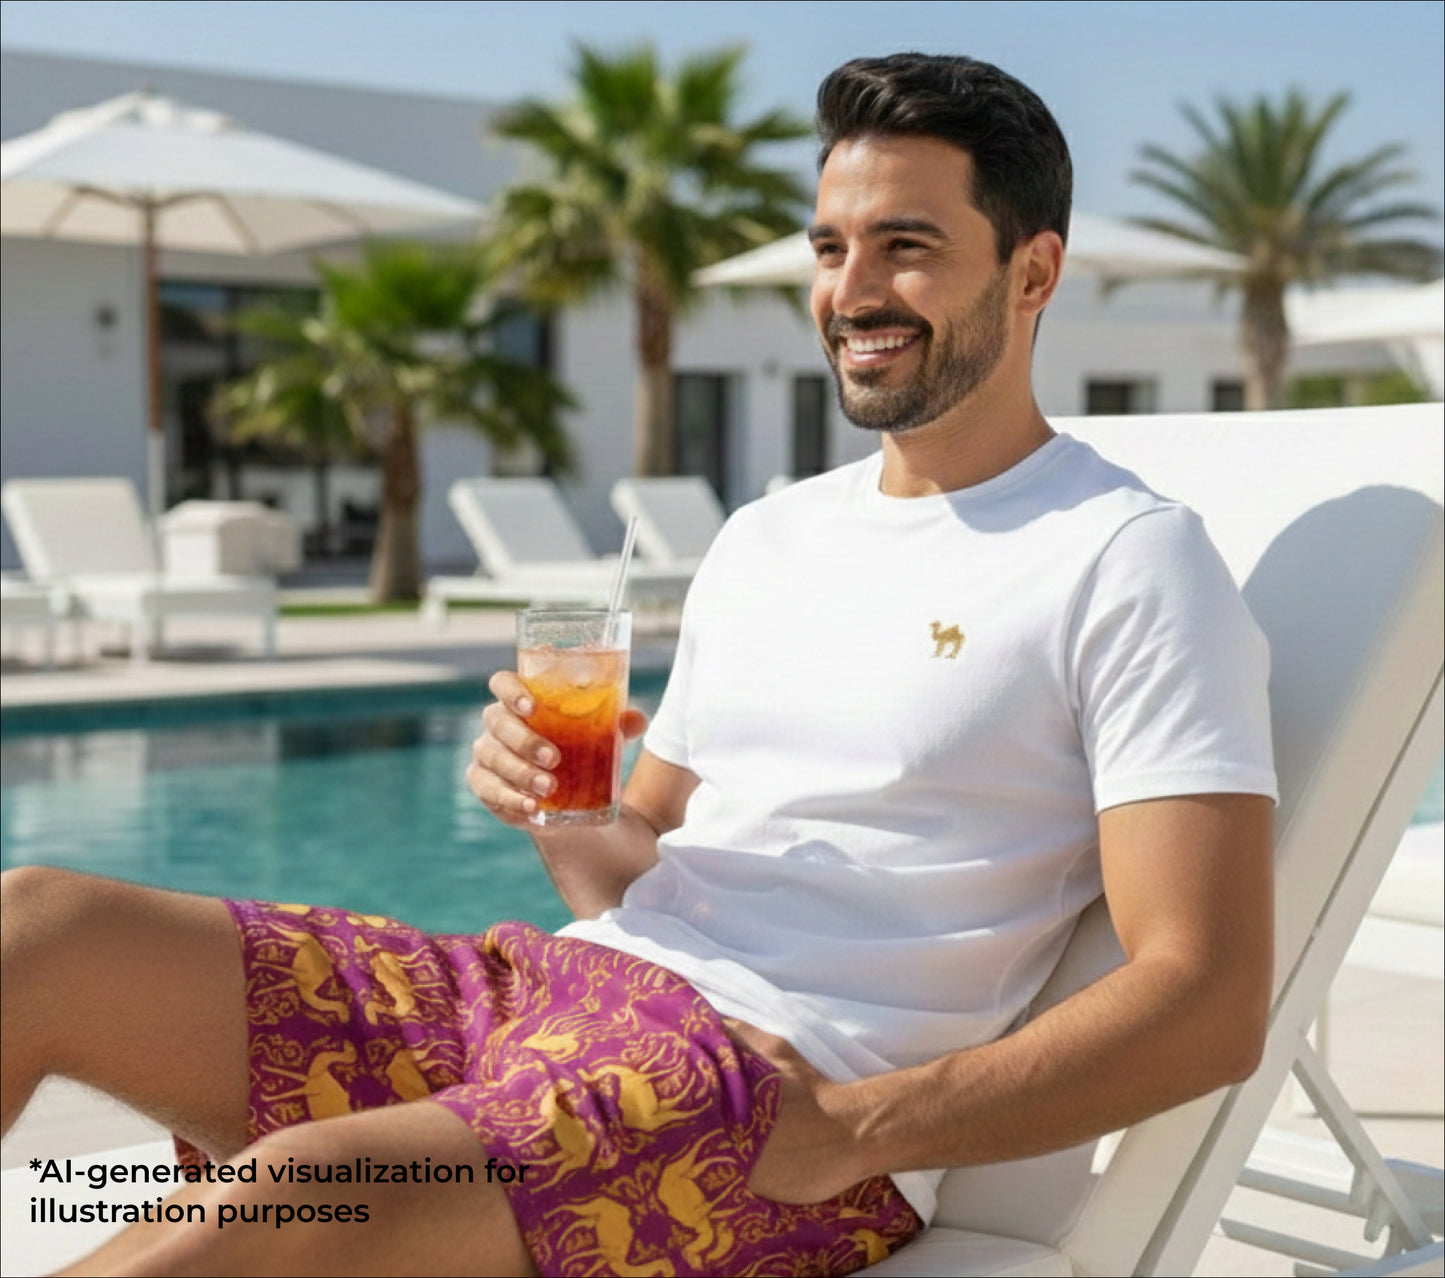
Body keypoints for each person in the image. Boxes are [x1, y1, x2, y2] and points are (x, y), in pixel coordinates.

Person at [0, 52, 1276, 1278]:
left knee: (299, 1190)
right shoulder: (770, 534)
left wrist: (862, 1127)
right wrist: (560, 799)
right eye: (831, 248)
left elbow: (1204, 995)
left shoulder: (1124, 559)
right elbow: (628, 874)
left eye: (908, 245)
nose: (852, 291)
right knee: (36, 926)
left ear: (1033, 268)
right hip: (544, 990)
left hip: (757, 1093)